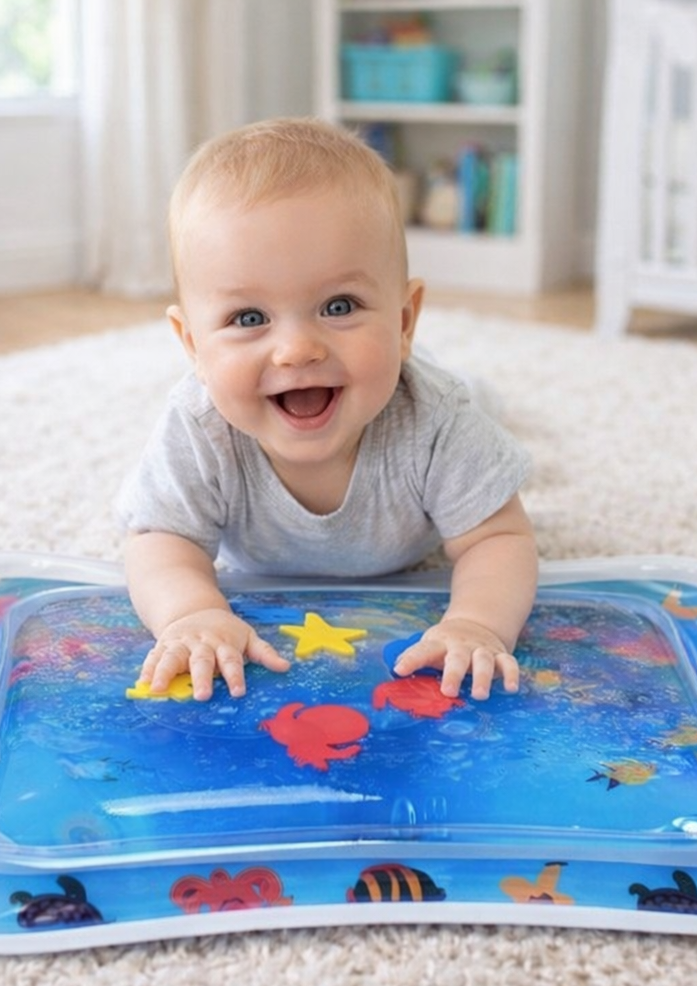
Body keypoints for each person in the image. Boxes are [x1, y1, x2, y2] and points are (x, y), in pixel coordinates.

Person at [117, 117, 538, 704]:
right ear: (192, 345)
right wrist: (190, 612)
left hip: (429, 392)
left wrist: (478, 623)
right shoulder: (199, 427)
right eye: (248, 318)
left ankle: (464, 379)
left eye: (339, 306)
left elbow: (500, 538)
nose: (297, 350)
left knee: (475, 401)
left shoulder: (436, 419)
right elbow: (159, 539)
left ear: (402, 320)